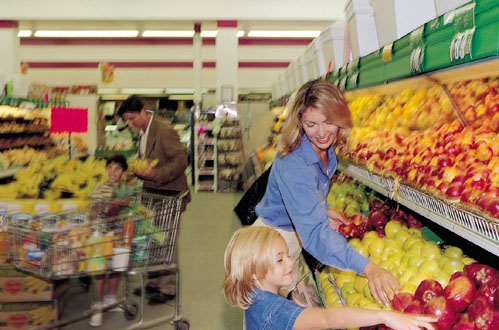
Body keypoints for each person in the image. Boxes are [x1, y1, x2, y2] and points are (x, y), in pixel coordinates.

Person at [254, 79, 400, 306]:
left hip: (292, 238)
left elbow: (303, 195)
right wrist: (369, 268)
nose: (322, 133)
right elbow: (314, 234)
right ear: (299, 122)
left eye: (328, 122)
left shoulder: (325, 149)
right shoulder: (294, 162)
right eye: (311, 124)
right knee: (269, 317)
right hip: (270, 248)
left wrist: (323, 208)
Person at [223, 226, 437, 330]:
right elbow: (329, 319)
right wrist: (385, 316)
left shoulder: (256, 297)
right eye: (279, 260)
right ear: (253, 272)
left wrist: (302, 315)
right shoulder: (274, 310)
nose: (290, 262)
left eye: (288, 255)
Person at [117, 95, 190, 305]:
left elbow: (181, 160)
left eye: (132, 118)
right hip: (152, 195)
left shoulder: (164, 130)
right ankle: (156, 282)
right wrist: (135, 173)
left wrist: (155, 174)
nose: (130, 124)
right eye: (127, 120)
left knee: (166, 241)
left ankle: (168, 288)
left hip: (169, 196)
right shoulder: (143, 132)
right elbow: (147, 160)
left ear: (143, 111)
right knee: (153, 239)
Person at [89, 155, 129, 327]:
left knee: (116, 265)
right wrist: (101, 208)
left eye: (117, 168)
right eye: (110, 168)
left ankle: (110, 298)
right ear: (106, 170)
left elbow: (131, 212)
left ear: (124, 172)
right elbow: (92, 212)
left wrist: (123, 205)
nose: (113, 172)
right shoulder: (98, 189)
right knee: (100, 267)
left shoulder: (127, 191)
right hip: (100, 233)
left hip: (118, 233)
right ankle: (97, 304)